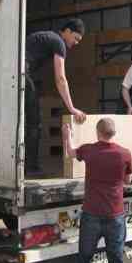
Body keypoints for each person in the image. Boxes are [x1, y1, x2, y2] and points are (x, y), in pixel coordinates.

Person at [62, 118, 132, 263]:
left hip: (91, 215)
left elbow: (70, 152)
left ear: (97, 132)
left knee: (85, 261)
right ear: (113, 133)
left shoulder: (89, 150)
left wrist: (66, 135)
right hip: (115, 217)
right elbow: (128, 181)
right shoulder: (125, 154)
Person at [25, 19, 87, 174]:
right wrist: (72, 108)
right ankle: (30, 168)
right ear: (67, 31)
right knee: (34, 122)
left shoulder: (48, 38)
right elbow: (60, 78)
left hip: (15, 70)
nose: (77, 42)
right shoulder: (59, 43)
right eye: (76, 38)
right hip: (20, 73)